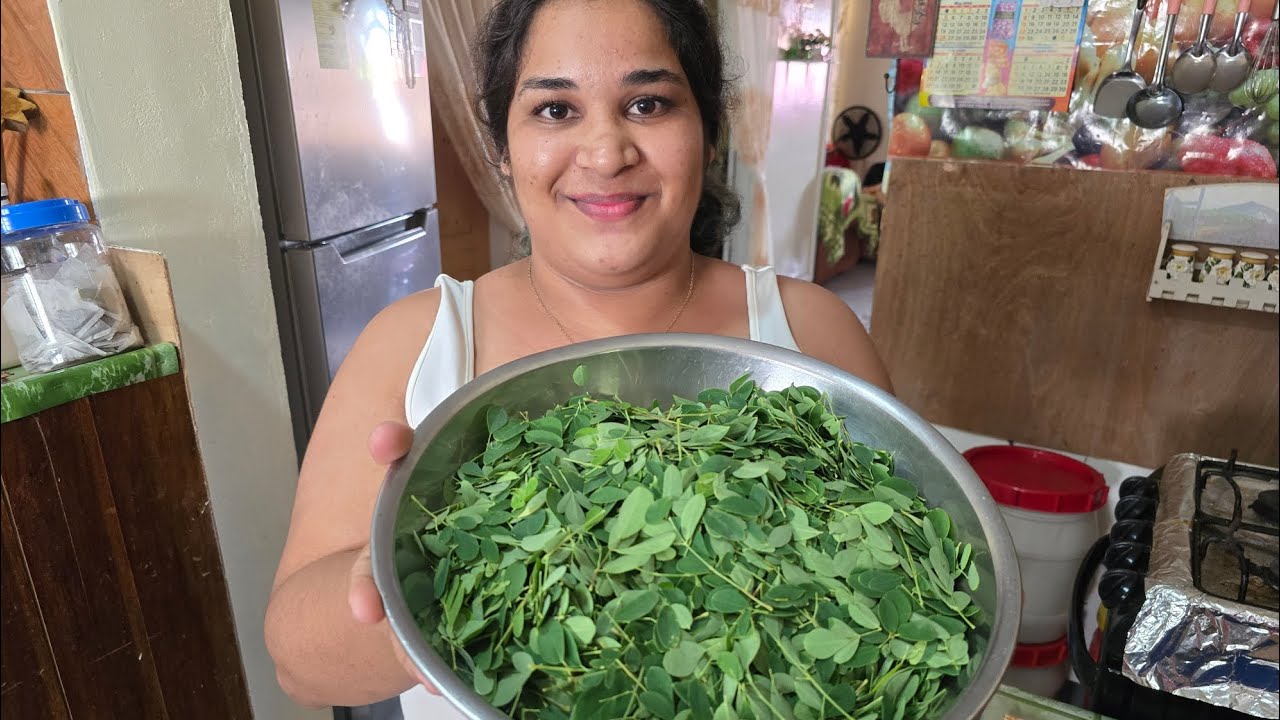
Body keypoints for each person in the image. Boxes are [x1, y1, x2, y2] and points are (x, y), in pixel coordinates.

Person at [264, 0, 893, 716]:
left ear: (709, 131)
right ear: (502, 147)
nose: (605, 152)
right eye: (556, 111)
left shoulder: (814, 337)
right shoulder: (412, 347)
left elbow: (902, 581)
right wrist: (414, 565)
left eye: (648, 103)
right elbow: (297, 668)